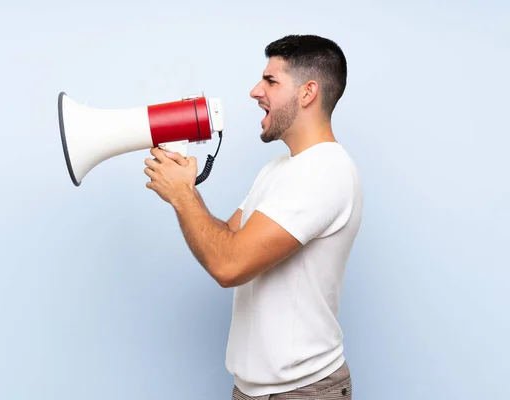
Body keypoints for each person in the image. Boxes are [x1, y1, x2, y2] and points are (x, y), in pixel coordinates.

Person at [143, 34, 363, 399]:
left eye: (271, 81)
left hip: (301, 391)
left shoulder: (325, 171)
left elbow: (228, 265)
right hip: (253, 389)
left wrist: (183, 196)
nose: (255, 91)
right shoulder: (280, 169)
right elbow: (227, 237)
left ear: (308, 93)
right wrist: (186, 190)